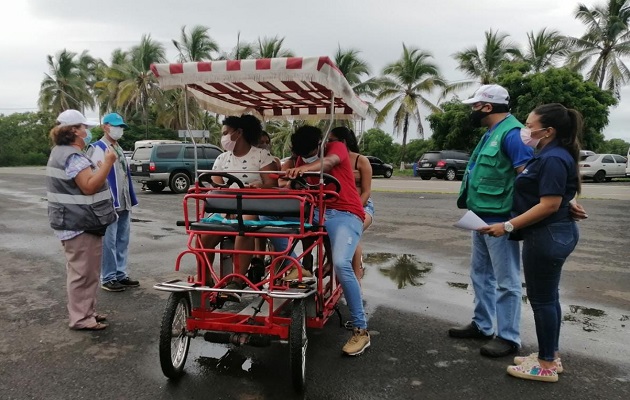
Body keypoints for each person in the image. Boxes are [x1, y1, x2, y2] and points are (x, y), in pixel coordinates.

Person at [479, 104, 582, 382]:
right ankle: (551, 354)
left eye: (529, 125)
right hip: (553, 233)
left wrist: (508, 226)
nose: (525, 130)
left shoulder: (552, 158)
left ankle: (546, 364)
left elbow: (549, 204)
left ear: (548, 131)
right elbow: (556, 194)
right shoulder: (551, 154)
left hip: (547, 235)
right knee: (549, 298)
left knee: (542, 300)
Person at [450, 84, 533, 358]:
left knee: (506, 281)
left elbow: (528, 177)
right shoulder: (492, 132)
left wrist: (514, 221)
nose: (472, 110)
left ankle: (508, 337)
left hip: (500, 221)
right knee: (480, 275)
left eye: (475, 105)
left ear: (487, 107)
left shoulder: (512, 134)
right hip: (480, 217)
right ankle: (482, 325)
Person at [282, 125, 370, 356]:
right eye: (303, 154)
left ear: (320, 143)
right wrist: (289, 179)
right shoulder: (301, 157)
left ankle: (361, 330)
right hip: (314, 211)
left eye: (312, 152)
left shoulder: (336, 147)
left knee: (341, 263)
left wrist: (303, 168)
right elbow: (291, 181)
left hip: (345, 212)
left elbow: (328, 163)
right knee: (264, 218)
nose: (308, 156)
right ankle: (296, 266)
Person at [46, 109, 118, 330]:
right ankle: (81, 318)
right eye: (84, 127)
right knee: (82, 273)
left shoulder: (60, 152)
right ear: (74, 130)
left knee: (85, 272)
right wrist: (108, 163)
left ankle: (88, 312)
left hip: (74, 221)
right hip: (79, 223)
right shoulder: (72, 156)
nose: (86, 131)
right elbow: (89, 186)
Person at [200, 115, 278, 300]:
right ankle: (205, 279)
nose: (224, 137)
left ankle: (237, 280)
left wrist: (259, 186)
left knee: (245, 225)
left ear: (239, 133)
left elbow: (272, 184)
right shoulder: (222, 158)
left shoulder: (261, 156)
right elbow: (217, 186)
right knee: (203, 235)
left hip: (253, 207)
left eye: (226, 133)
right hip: (227, 207)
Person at [87, 113, 139, 292]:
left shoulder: (118, 148)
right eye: (116, 126)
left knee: (122, 239)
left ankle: (120, 273)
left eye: (121, 126)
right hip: (107, 202)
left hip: (123, 200)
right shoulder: (97, 148)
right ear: (105, 127)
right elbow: (92, 176)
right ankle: (108, 277)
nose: (119, 129)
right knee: (108, 241)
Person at [328, 127, 373, 283]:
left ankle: (356, 275)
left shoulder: (360, 160)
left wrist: (353, 211)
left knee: (351, 233)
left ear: (343, 142)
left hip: (362, 206)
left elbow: (367, 192)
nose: (327, 144)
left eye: (331, 140)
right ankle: (330, 263)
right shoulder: (330, 160)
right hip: (337, 206)